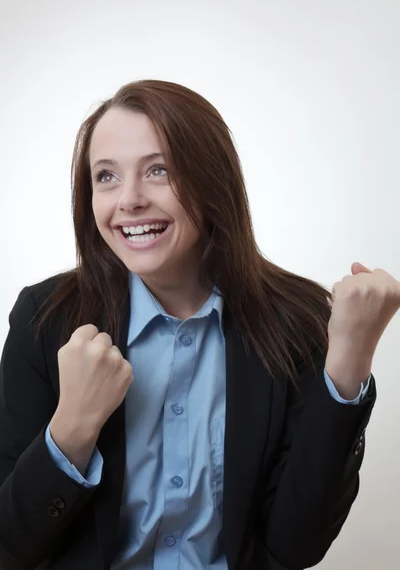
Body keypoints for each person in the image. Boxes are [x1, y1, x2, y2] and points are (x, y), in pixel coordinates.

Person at [0, 79, 380, 570]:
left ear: (211, 179)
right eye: (107, 177)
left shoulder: (296, 320)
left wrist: (349, 361)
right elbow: (10, 547)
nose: (129, 200)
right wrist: (72, 426)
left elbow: (295, 545)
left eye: (158, 170)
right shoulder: (44, 318)